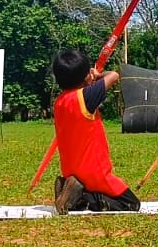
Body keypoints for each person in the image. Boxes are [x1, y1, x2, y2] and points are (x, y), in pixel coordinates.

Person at [50, 49, 141, 214]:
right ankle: (80, 197)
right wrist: (97, 75)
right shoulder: (86, 96)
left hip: (71, 171)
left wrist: (89, 76)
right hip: (93, 172)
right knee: (131, 203)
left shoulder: (59, 102)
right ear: (85, 76)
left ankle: (69, 191)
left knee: (98, 194)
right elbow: (113, 75)